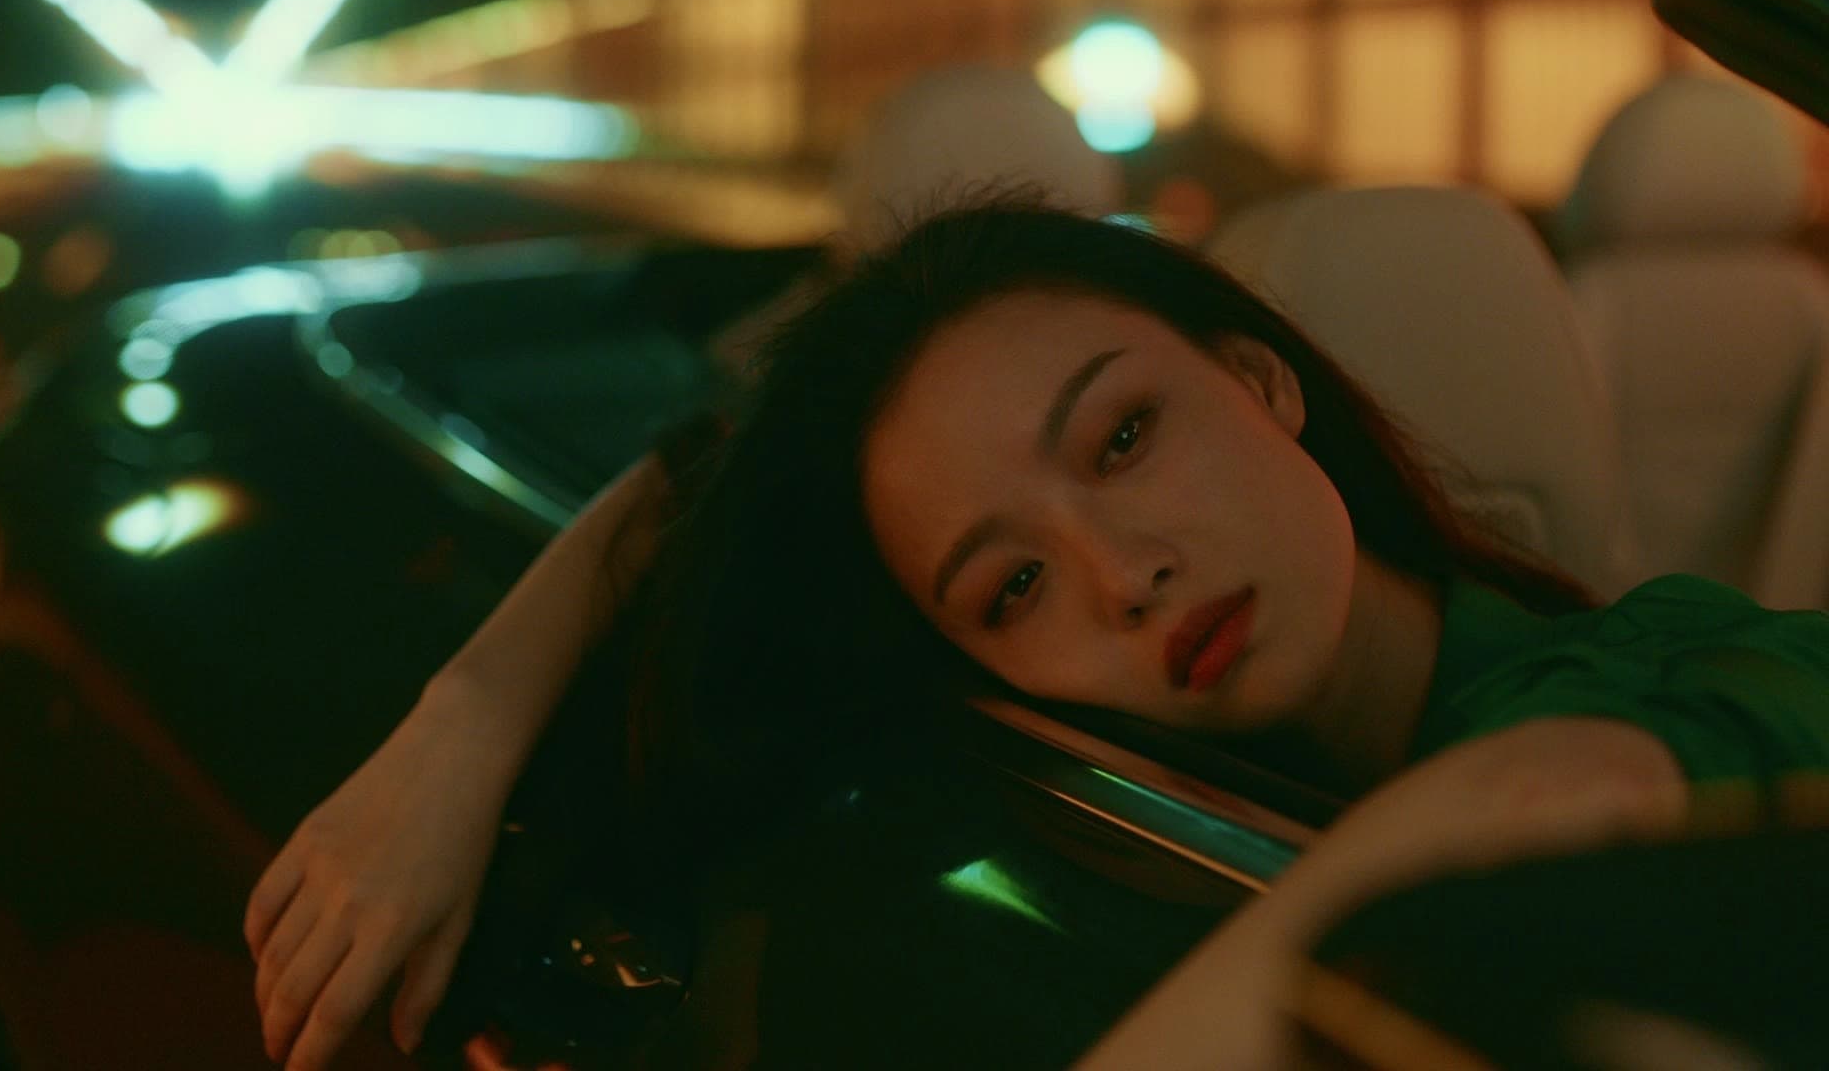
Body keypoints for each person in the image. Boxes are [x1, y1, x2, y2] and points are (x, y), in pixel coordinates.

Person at [244, 199, 1829, 1069]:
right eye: (1008, 588)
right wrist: (462, 724)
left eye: (1124, 437)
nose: (1121, 574)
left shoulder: (1677, 658)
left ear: (1259, 380)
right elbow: (704, 482)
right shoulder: (1058, 792)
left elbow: (1548, 796)